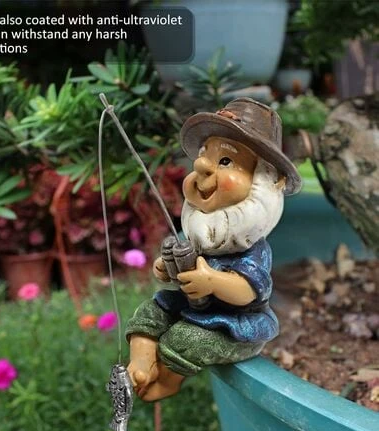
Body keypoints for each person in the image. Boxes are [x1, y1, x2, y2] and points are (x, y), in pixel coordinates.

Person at [126, 98, 302, 401]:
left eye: (225, 161)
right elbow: (182, 263)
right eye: (204, 154)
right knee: (150, 311)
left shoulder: (252, 249)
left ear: (265, 181)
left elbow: (247, 291)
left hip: (236, 326)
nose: (201, 166)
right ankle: (141, 363)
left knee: (186, 338)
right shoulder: (204, 233)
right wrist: (166, 267)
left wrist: (212, 282)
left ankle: (167, 379)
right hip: (196, 307)